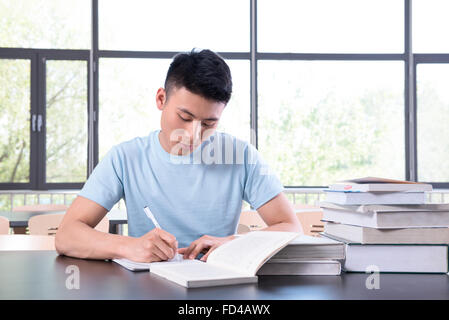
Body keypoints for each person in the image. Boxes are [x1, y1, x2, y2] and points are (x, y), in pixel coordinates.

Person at [55, 49, 302, 263]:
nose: (193, 134)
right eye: (184, 118)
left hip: (219, 287)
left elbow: (291, 227)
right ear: (161, 99)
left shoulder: (242, 156)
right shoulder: (125, 157)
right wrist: (130, 246)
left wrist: (233, 242)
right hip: (146, 288)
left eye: (208, 123)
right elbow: (67, 235)